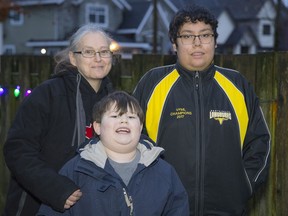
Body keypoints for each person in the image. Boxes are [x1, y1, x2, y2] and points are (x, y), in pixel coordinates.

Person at [133, 4, 271, 216]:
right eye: (187, 36)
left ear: (215, 41)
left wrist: (244, 185)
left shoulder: (237, 85)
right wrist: (151, 187)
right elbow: (131, 139)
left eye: (205, 35)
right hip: (164, 209)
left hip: (227, 209)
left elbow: (260, 142)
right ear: (174, 44)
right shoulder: (152, 84)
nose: (197, 43)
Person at [2, 23, 114, 216]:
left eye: (104, 51)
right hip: (37, 205)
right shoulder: (48, 94)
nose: (98, 58)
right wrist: (55, 188)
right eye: (88, 52)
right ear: (73, 58)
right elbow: (18, 149)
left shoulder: (113, 102)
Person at [36, 91, 189, 216]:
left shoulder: (164, 172)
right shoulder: (75, 170)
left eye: (131, 117)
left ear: (140, 126)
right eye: (115, 116)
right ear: (97, 127)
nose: (124, 121)